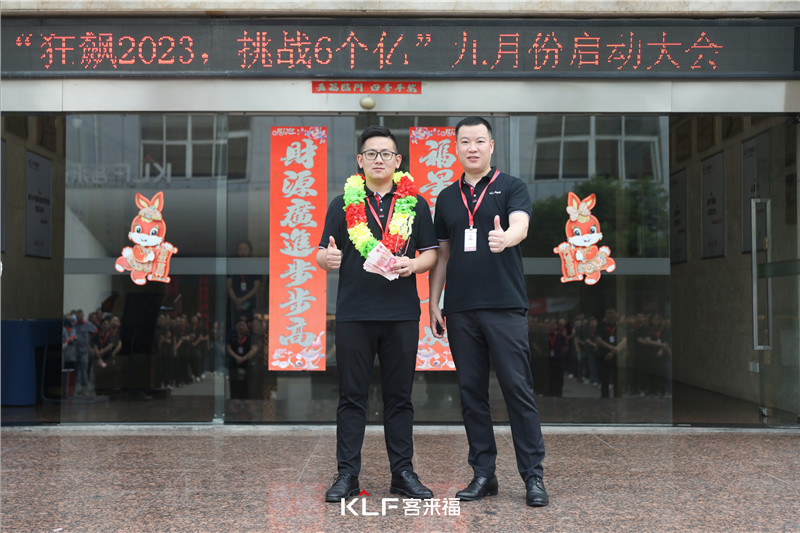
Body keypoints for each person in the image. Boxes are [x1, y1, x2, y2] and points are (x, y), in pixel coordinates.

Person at [429, 116, 548, 507]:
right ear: (456, 148)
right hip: (461, 309)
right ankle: (484, 474)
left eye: (480, 141)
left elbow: (521, 226)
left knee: (517, 390)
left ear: (491, 146)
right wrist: (434, 301)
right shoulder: (447, 197)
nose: (473, 148)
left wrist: (505, 238)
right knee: (471, 393)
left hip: (504, 306)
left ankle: (533, 476)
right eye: (465, 141)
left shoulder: (511, 187)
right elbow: (442, 255)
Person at [316, 125, 438, 503]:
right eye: (371, 153)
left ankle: (403, 473)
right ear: (360, 160)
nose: (379, 159)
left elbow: (432, 254)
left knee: (399, 397)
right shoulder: (342, 203)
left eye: (386, 153)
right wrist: (326, 258)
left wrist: (412, 265)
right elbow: (321, 253)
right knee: (351, 396)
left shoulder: (416, 204)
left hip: (401, 314)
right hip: (354, 314)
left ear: (398, 160)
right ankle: (347, 475)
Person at [226, 240, 262, 324]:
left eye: (245, 249)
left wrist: (242, 300)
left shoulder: (255, 265)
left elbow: (256, 287)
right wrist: (236, 300)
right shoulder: (232, 265)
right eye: (240, 249)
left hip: (249, 300)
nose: (242, 252)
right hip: (234, 301)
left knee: (248, 323)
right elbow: (228, 285)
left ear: (250, 250)